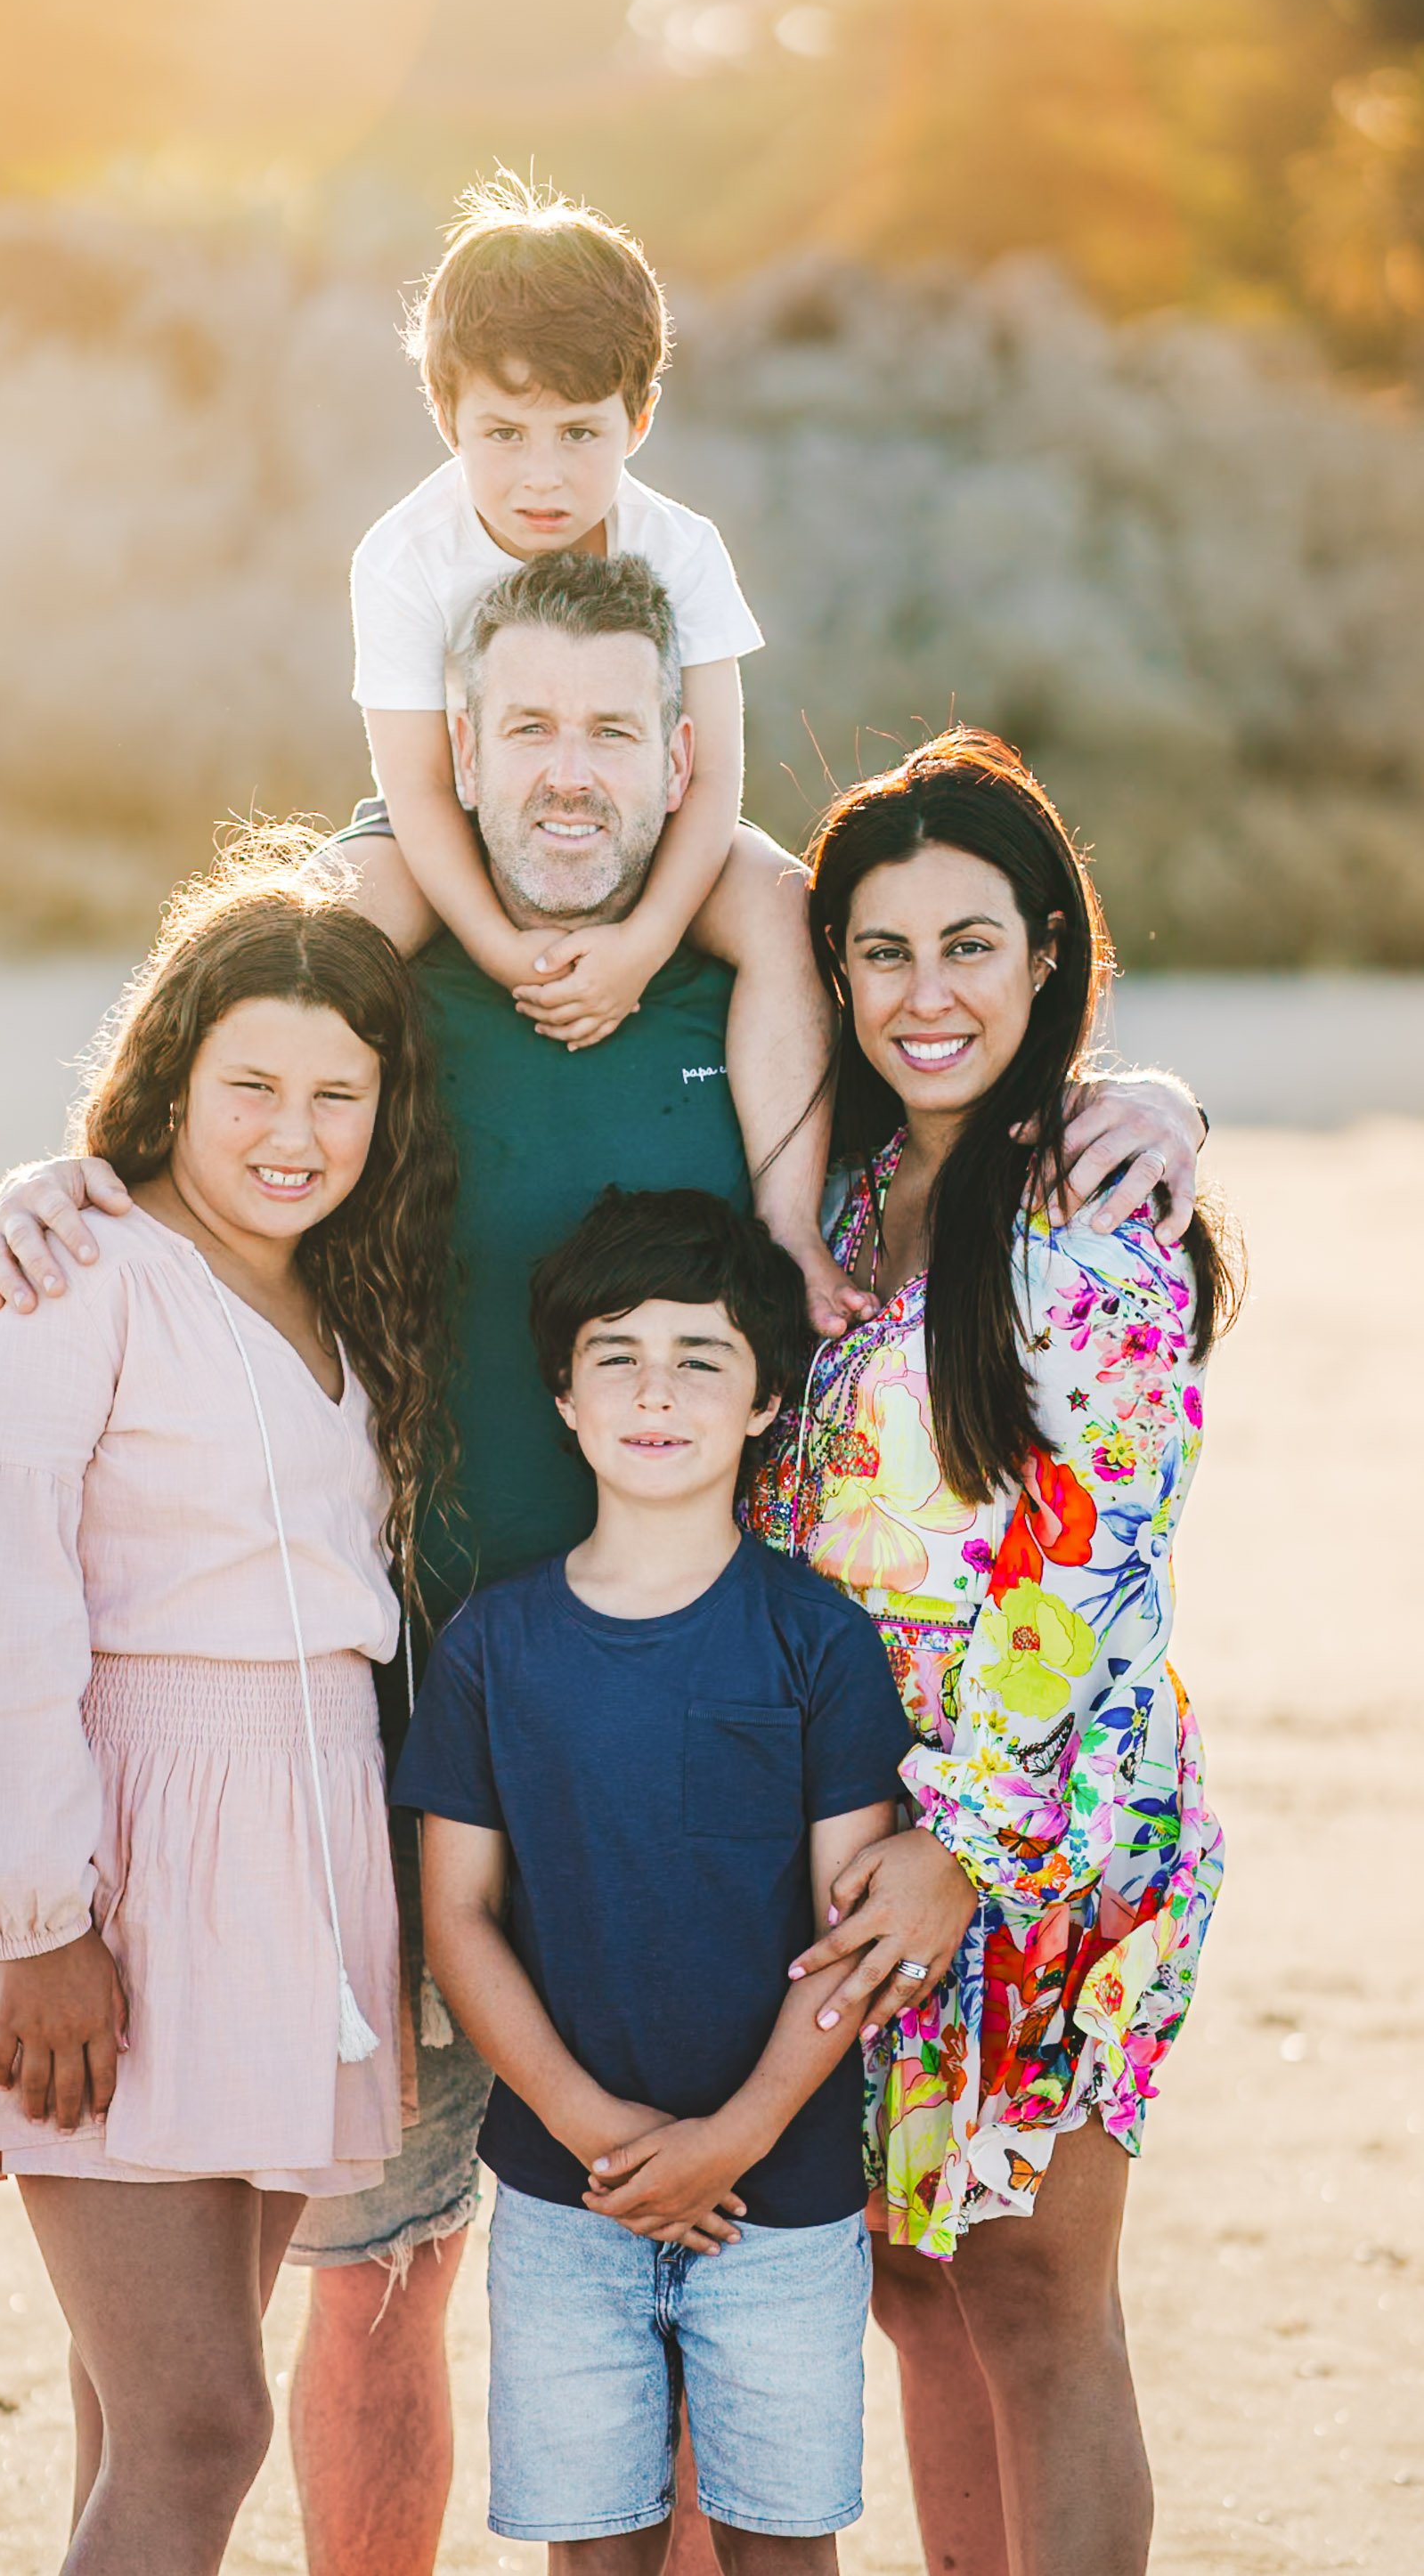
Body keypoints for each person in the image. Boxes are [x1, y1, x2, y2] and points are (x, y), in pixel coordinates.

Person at [0, 558, 1209, 2576]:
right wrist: (68, 1171)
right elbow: (217, 1071)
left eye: (615, 729)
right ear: (449, 750)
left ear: (682, 749)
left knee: (775, 2275)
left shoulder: (777, 977)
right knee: (380, 2287)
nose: (570, 771)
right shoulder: (373, 976)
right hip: (397, 1741)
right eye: (523, 727)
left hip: (783, 1771)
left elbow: (971, 1072)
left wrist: (1143, 1098)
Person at [0, 836, 456, 2576]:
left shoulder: (337, 1293)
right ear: (168, 1077)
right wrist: (39, 1919)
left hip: (295, 1861)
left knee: (136, 2413)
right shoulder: (83, 1268)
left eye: (337, 1095)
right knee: (204, 2424)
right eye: (251, 1083)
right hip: (120, 1854)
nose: (294, 1133)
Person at [732, 729, 1237, 2576]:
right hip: (853, 1818)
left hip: (1045, 1829)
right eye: (879, 951)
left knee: (1029, 2294)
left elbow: (1091, 1560)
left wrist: (959, 1838)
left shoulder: (1097, 1220)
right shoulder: (836, 1203)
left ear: (1045, 953)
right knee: (908, 2289)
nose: (924, 993)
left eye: (967, 944)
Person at [397, 1188, 914, 2572]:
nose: (657, 1389)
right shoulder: (495, 1644)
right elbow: (457, 1918)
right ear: (563, 1398)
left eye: (703, 1357)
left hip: (785, 2193)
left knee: (783, 2550)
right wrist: (597, 2135)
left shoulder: (817, 1640)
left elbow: (850, 1937)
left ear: (761, 1403)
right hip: (564, 2199)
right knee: (592, 2551)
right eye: (616, 1355)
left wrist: (735, 2134)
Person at [348, 170, 846, 1329]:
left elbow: (712, 779)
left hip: (653, 817)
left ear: (640, 417)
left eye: (582, 434)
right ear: (446, 416)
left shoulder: (683, 547)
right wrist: (496, 941)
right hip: (453, 814)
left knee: (782, 908)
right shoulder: (404, 554)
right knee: (325, 924)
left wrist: (640, 945)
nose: (543, 475)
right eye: (502, 434)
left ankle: (787, 1233)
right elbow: (417, 787)